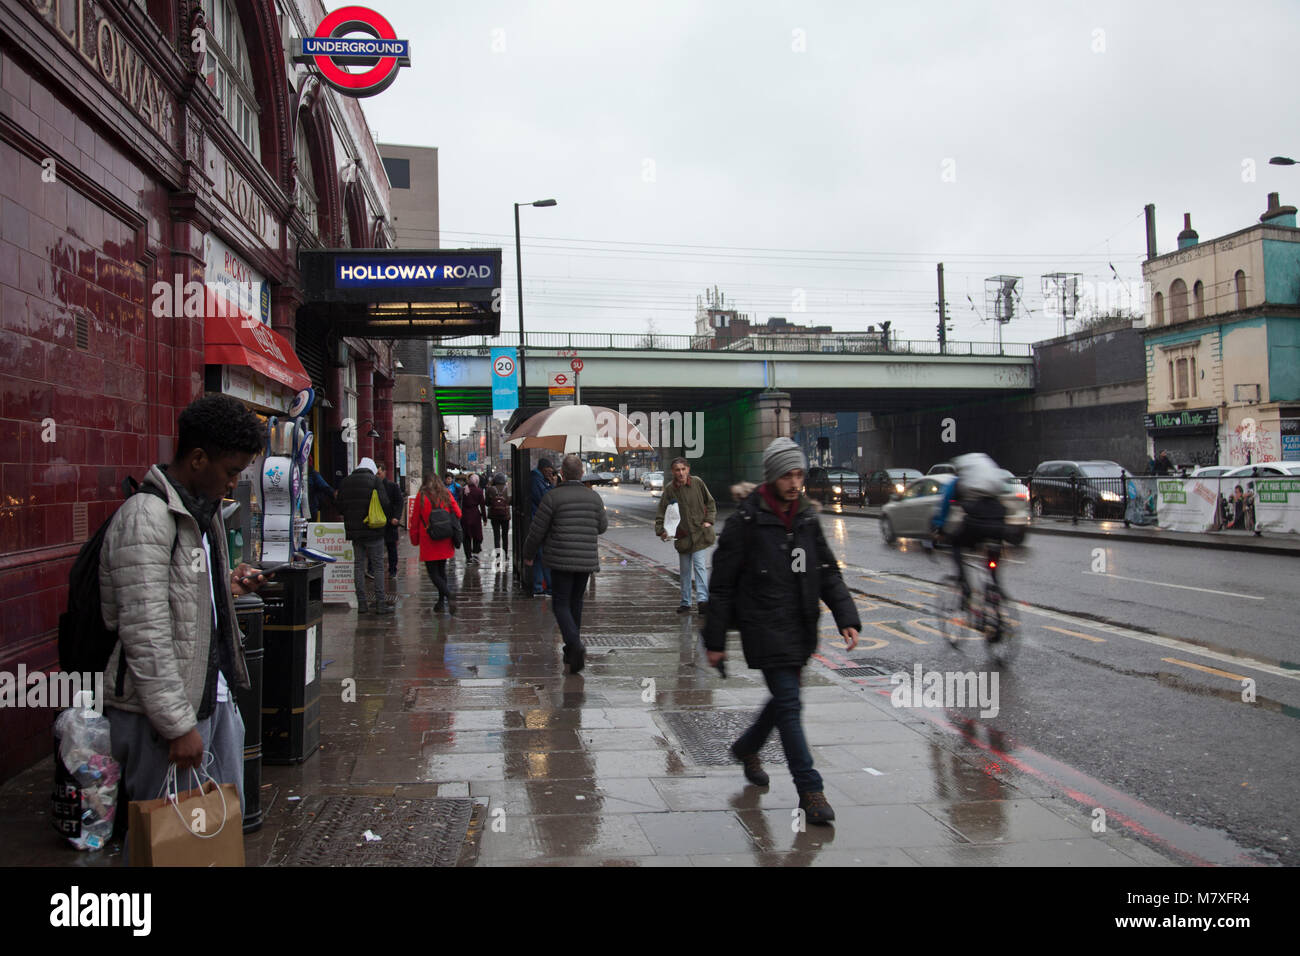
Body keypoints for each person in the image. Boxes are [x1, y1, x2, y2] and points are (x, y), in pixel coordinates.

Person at [100, 395, 271, 849]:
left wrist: (228, 585)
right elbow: (145, 632)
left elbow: (186, 599)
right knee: (164, 839)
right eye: (231, 471)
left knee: (212, 835)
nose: (233, 483)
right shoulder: (147, 519)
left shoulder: (201, 512)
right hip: (164, 716)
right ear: (198, 458)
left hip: (211, 697)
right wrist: (177, 725)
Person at [704, 437, 861, 825]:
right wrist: (714, 640)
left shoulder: (806, 517)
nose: (795, 483)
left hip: (801, 625)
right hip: (764, 626)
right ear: (772, 477)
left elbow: (826, 571)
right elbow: (721, 584)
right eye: (787, 475)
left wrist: (847, 617)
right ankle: (810, 789)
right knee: (790, 705)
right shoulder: (745, 521)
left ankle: (747, 746)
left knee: (783, 702)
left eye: (799, 475)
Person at [523, 455, 608, 673]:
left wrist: (528, 554)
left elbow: (537, 529)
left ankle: (574, 645)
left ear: (562, 473)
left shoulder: (552, 497)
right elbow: (602, 527)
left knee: (560, 603)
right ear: (581, 474)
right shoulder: (594, 498)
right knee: (576, 602)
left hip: (560, 559)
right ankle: (571, 650)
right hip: (585, 560)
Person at [930, 452, 1009, 604]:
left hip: (976, 522)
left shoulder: (962, 480)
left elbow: (945, 504)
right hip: (998, 524)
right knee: (992, 559)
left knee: (956, 544)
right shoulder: (992, 479)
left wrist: (939, 527)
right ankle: (995, 587)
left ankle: (964, 585)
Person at [654, 457, 717, 615]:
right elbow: (662, 511)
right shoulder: (670, 489)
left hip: (700, 534)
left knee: (700, 567)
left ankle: (703, 601)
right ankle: (686, 602)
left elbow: (710, 503)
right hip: (682, 537)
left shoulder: (697, 483)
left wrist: (709, 520)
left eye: (683, 469)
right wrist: (661, 530)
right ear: (673, 472)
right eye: (677, 470)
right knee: (685, 571)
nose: (681, 473)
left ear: (688, 469)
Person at [337, 457, 392, 613]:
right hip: (374, 530)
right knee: (378, 567)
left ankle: (362, 603)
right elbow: (385, 503)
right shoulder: (375, 481)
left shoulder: (346, 482)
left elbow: (339, 506)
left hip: (355, 532)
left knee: (358, 566)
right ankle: (380, 603)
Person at [410, 473, 462, 612]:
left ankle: (448, 594)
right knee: (441, 570)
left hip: (429, 538)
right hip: (445, 537)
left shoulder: (421, 497)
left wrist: (414, 539)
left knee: (433, 573)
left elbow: (414, 520)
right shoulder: (446, 494)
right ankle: (440, 602)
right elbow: (458, 513)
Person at [376, 463, 405, 607]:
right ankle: (373, 570)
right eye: (376, 473)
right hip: (376, 522)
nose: (377, 475)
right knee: (375, 548)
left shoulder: (392, 486)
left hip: (390, 522)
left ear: (385, 472)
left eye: (379, 472)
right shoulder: (373, 486)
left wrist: (396, 517)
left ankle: (392, 570)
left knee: (391, 547)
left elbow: (400, 503)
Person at [528, 458, 557, 595]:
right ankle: (545, 587)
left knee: (541, 556)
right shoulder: (536, 480)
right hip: (539, 522)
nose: (551, 474)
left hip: (538, 521)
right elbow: (546, 499)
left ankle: (540, 586)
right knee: (543, 556)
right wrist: (552, 485)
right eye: (550, 471)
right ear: (544, 468)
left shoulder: (538, 479)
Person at [459, 474, 487, 562]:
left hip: (464, 515)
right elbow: (482, 506)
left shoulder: (463, 490)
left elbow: (459, 501)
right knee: (476, 535)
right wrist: (484, 519)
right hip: (475, 515)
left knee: (466, 536)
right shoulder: (479, 491)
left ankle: (468, 556)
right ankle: (475, 552)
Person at [486, 473, 511, 559]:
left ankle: (498, 554)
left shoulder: (490, 489)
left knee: (496, 536)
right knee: (505, 535)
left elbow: (487, 503)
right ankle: (506, 554)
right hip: (505, 515)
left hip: (494, 515)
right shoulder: (508, 489)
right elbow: (511, 501)